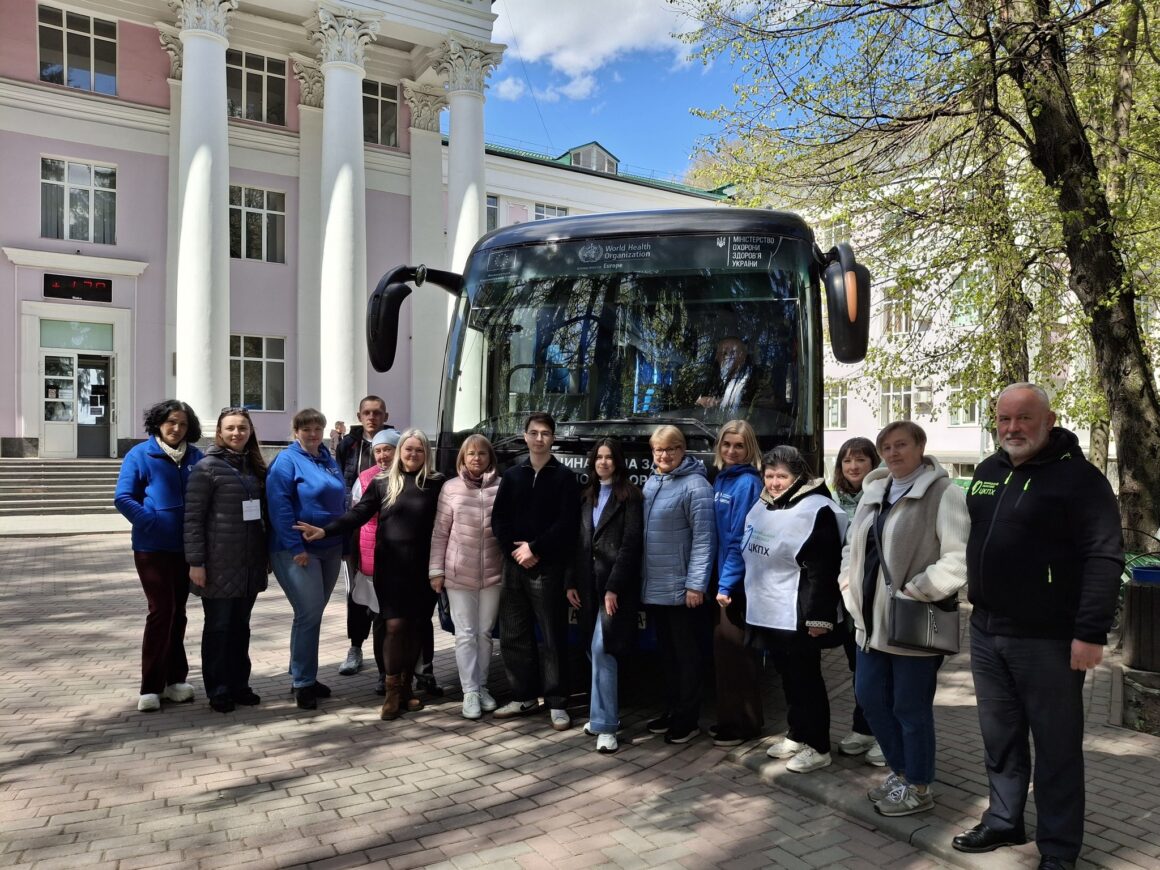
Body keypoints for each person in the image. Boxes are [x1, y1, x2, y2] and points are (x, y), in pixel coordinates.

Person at [953, 384, 1122, 870]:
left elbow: (1104, 557)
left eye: (1024, 418)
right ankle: (1005, 820)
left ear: (1049, 420)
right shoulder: (986, 473)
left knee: (1057, 748)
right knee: (999, 738)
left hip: (1049, 640)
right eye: (1004, 419)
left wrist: (1090, 633)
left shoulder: (1080, 481)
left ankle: (1059, 849)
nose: (1012, 428)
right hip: (986, 631)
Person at [839, 421, 968, 816]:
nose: (894, 453)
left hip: (913, 621)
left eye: (902, 445)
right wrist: (847, 583)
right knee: (870, 699)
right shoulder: (873, 492)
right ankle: (902, 770)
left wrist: (918, 589)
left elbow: (959, 557)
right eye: (887, 447)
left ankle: (919, 784)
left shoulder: (943, 493)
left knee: (910, 709)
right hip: (869, 621)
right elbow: (852, 546)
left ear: (920, 447)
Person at [297, 429, 445, 721]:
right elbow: (359, 514)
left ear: (426, 453)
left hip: (424, 569)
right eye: (408, 450)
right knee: (393, 626)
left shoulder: (437, 483)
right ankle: (391, 690)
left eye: (419, 450)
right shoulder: (382, 482)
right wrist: (326, 530)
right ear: (400, 452)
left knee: (416, 626)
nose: (412, 455)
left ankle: (405, 689)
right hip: (390, 567)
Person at [745, 446, 848, 773]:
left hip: (800, 611)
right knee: (787, 676)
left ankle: (819, 746)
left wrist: (820, 618)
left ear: (799, 476)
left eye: (782, 476)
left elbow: (823, 569)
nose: (774, 482)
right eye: (770, 475)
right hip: (769, 609)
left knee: (807, 679)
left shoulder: (817, 510)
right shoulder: (764, 504)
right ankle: (797, 733)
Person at [490, 412, 581, 730]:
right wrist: (515, 553)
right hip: (515, 566)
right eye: (534, 432)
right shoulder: (512, 475)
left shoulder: (565, 479)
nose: (539, 438)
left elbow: (567, 525)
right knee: (513, 633)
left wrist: (535, 548)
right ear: (525, 436)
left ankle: (557, 702)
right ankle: (523, 695)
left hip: (548, 567)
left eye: (545, 433)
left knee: (552, 635)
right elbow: (498, 520)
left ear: (553, 438)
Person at [114, 399, 204, 712]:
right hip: (151, 549)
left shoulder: (196, 456)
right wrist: (151, 522)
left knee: (178, 612)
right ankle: (150, 687)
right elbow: (123, 498)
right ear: (159, 424)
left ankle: (175, 681)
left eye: (182, 423)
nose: (176, 428)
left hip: (186, 548)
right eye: (170, 422)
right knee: (160, 611)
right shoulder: (140, 454)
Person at [183, 407, 268, 713]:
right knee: (218, 627)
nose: (236, 433)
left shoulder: (254, 467)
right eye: (230, 428)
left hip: (247, 565)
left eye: (242, 428)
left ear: (250, 432)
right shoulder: (207, 468)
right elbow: (193, 519)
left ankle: (239, 684)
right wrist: (196, 562)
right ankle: (218, 689)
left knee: (241, 627)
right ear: (219, 432)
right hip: (218, 565)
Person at [566, 438, 644, 753]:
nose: (604, 462)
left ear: (619, 462)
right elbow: (577, 544)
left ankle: (607, 726)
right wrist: (570, 582)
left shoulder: (631, 497)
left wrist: (614, 587)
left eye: (610, 457)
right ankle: (600, 715)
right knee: (591, 647)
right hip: (587, 586)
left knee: (604, 648)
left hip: (615, 588)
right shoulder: (588, 496)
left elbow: (631, 544)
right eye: (599, 457)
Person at [641, 424, 715, 744]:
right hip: (655, 586)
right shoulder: (653, 482)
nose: (664, 455)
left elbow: (704, 540)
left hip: (683, 590)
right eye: (659, 449)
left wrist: (696, 585)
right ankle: (671, 710)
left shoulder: (696, 486)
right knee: (667, 656)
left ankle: (688, 719)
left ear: (683, 450)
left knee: (688, 658)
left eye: (671, 449)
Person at [267, 408, 346, 710]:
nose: (313, 434)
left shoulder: (328, 459)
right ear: (296, 431)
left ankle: (303, 673)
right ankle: (302, 682)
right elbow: (279, 506)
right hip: (298, 551)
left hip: (330, 547)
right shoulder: (286, 461)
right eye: (306, 429)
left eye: (318, 428)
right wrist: (295, 546)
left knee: (313, 614)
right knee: (308, 613)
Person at [429, 435, 504, 720]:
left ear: (489, 458)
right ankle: (469, 692)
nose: (476, 459)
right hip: (458, 572)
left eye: (482, 454)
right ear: (462, 457)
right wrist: (436, 570)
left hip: (493, 574)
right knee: (465, 634)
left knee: (485, 634)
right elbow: (440, 533)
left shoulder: (501, 487)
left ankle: (482, 687)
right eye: (471, 454)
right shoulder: (450, 488)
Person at [709, 420, 765, 747]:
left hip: (736, 586)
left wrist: (726, 584)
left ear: (750, 450)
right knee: (724, 653)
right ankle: (729, 719)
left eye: (739, 446)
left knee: (738, 655)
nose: (732, 451)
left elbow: (738, 539)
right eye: (727, 444)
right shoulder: (722, 479)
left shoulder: (746, 483)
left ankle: (745, 724)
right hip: (723, 580)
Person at [830, 436, 885, 765]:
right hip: (845, 598)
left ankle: (884, 733)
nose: (853, 466)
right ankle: (864, 727)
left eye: (860, 460)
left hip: (874, 597)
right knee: (858, 666)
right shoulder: (834, 500)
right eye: (847, 461)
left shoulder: (881, 497)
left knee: (880, 668)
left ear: (873, 464)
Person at [334, 395, 392, 678]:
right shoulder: (349, 445)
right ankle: (355, 647)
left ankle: (389, 655)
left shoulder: (395, 441)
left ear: (385, 415)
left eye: (377, 413)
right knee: (356, 591)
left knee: (387, 592)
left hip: (390, 532)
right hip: (357, 530)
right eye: (367, 413)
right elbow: (341, 484)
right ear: (359, 416)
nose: (372, 417)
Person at [349, 428, 402, 695]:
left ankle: (414, 673)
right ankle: (384, 674)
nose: (382, 456)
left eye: (388, 450)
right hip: (372, 558)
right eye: (378, 451)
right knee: (380, 619)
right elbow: (356, 518)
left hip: (403, 560)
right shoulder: (365, 479)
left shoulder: (411, 476)